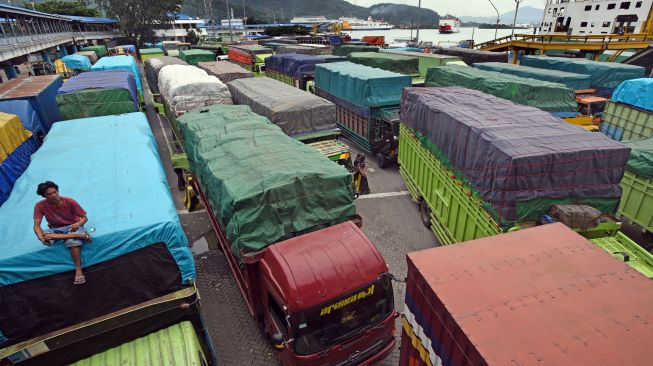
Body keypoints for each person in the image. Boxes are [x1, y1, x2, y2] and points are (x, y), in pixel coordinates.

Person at [33, 181, 92, 285]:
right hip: (56, 229)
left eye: (55, 192)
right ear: (44, 196)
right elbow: (36, 225)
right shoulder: (40, 206)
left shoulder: (69, 201)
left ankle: (78, 270)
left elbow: (84, 218)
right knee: (45, 236)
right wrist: (40, 237)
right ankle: (78, 235)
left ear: (58, 191)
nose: (53, 195)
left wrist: (78, 224)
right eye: (49, 194)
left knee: (72, 243)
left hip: (72, 226)